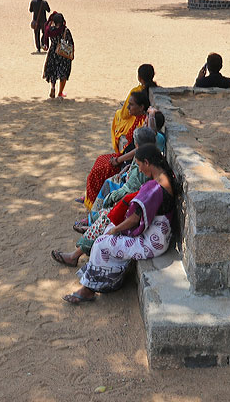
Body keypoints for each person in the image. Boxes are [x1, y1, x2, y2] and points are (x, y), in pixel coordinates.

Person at [63, 144, 176, 304]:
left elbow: (136, 219)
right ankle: (99, 280)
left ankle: (90, 289)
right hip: (156, 234)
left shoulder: (155, 188)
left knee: (102, 243)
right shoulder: (163, 176)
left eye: (138, 164)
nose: (139, 168)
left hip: (153, 242)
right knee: (108, 230)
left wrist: (116, 229)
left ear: (147, 162)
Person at [52, 127, 159, 268]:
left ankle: (75, 255)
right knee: (108, 191)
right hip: (136, 202)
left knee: (106, 216)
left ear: (138, 145)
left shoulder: (144, 166)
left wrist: (112, 197)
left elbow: (131, 190)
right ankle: (91, 223)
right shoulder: (150, 156)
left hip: (136, 207)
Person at [81, 89, 150, 208]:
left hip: (128, 160)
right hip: (125, 156)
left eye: (131, 105)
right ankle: (91, 198)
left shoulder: (144, 124)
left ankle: (94, 203)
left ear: (141, 107)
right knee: (100, 161)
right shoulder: (138, 119)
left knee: (100, 171)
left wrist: (119, 160)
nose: (128, 107)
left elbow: (138, 149)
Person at [111, 64, 157, 153]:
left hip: (136, 119)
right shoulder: (155, 89)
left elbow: (125, 114)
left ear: (139, 78)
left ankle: (117, 150)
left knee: (118, 114)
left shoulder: (136, 91)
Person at [42, 12, 74, 98]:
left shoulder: (51, 30)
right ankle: (60, 92)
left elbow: (46, 34)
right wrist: (72, 54)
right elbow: (70, 42)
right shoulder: (65, 30)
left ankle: (52, 87)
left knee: (53, 71)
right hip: (62, 53)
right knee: (63, 72)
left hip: (53, 52)